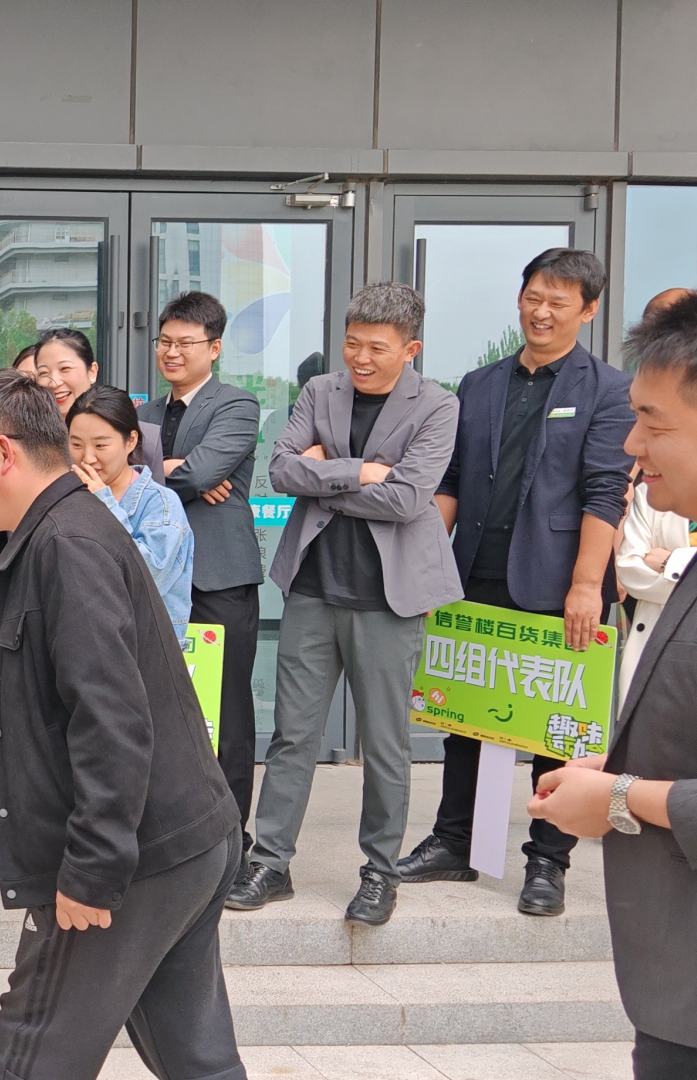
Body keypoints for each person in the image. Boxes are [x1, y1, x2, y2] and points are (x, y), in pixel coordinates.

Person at [0, 370, 243, 1080]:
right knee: (196, 1060)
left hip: (136, 853)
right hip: (179, 838)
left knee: (33, 1055)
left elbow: (112, 719)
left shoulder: (67, 543)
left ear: (1, 452)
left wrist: (94, 868)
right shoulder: (48, 532)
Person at [527, 280, 697, 1078]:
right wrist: (623, 769)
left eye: (654, 423)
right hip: (691, 993)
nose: (631, 446)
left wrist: (621, 799)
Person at [401, 248, 635, 918]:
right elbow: (450, 481)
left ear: (588, 310)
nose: (542, 312)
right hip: (474, 571)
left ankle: (547, 860)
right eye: (534, 297)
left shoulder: (608, 390)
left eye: (559, 302)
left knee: (556, 729)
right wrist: (430, 564)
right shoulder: (479, 383)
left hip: (558, 583)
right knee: (464, 713)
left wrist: (587, 585)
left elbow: (605, 491)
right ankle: (454, 842)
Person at [229, 282, 461, 926]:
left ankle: (380, 871)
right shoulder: (318, 391)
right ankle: (271, 862)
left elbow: (408, 500)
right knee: (293, 737)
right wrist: (360, 472)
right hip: (312, 586)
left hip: (389, 598)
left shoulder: (438, 405)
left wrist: (324, 473)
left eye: (377, 348)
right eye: (352, 343)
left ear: (410, 349)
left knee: (385, 744)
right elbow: (281, 471)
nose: (360, 358)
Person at [138, 291, 265, 847]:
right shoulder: (141, 414)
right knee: (157, 707)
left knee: (227, 712)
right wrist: (173, 469)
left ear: (213, 348)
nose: (171, 352)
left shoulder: (236, 405)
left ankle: (231, 838)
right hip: (151, 577)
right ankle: (168, 832)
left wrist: (153, 472)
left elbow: (203, 471)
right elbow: (107, 473)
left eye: (185, 343)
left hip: (219, 578)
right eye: (164, 341)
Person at [613, 288, 697, 706]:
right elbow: (630, 568)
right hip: (653, 642)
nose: (634, 444)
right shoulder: (653, 483)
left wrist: (671, 562)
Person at [66, 385, 193, 641]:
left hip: (142, 649)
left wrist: (103, 503)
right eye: (76, 444)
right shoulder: (68, 497)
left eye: (100, 445)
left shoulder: (161, 503)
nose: (87, 458)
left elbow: (147, 576)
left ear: (131, 441)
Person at [32, 327, 97, 420]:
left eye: (65, 369)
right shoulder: (26, 427)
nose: (54, 383)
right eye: (44, 373)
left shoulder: (113, 424)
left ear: (92, 372)